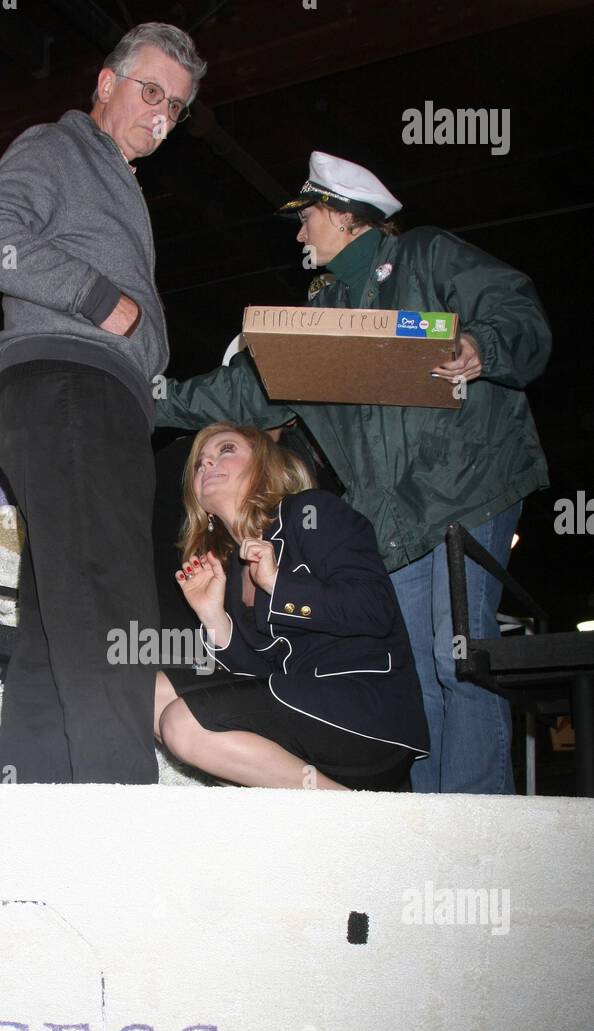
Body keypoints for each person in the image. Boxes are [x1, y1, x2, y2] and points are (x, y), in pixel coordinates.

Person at [154, 152, 552, 794]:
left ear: (343, 214)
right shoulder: (321, 321)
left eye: (307, 215)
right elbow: (241, 392)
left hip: (466, 488)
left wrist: (483, 345)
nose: (299, 231)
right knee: (421, 676)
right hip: (396, 517)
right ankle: (427, 830)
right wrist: (149, 397)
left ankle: (479, 823)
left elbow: (516, 308)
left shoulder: (426, 256)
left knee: (459, 660)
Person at [0, 23, 206, 784]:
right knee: (109, 606)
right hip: (70, 387)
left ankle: (28, 810)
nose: (162, 115)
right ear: (105, 83)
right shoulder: (59, 148)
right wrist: (102, 299)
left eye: (177, 107)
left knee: (57, 621)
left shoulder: (119, 180)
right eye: (151, 91)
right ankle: (118, 814)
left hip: (96, 401)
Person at [155, 424, 429, 790]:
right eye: (200, 463)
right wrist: (215, 619)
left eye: (225, 450)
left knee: (182, 724)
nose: (208, 464)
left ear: (264, 464)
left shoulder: (310, 512)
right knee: (150, 694)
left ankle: (355, 811)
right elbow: (260, 677)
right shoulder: (233, 567)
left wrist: (278, 584)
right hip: (301, 712)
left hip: (366, 716)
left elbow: (374, 609)